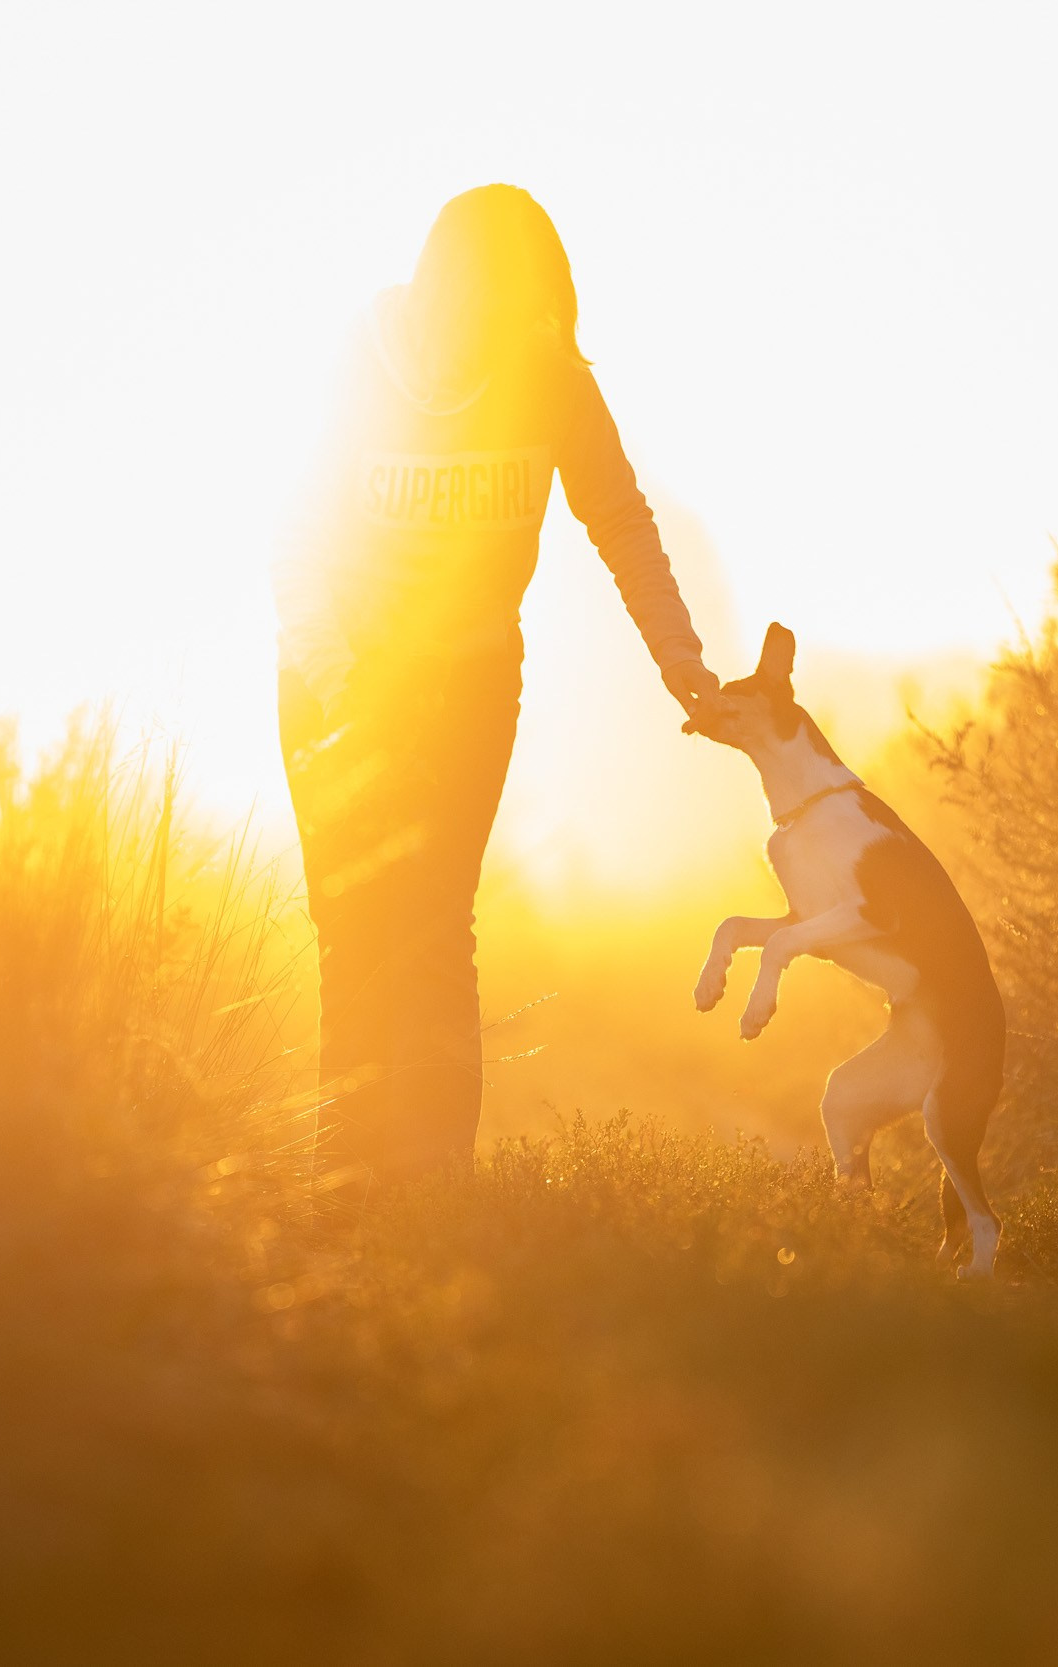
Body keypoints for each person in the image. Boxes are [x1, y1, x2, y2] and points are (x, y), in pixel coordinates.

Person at [275, 184, 717, 1183]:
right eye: (510, 312)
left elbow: (621, 520)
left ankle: (434, 1195)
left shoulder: (547, 375)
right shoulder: (364, 361)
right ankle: (344, 1193)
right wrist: (347, 694)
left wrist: (679, 658)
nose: (527, 335)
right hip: (335, 680)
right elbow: (297, 538)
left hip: (469, 683)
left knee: (435, 927)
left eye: (542, 314)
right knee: (355, 930)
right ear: (454, 296)